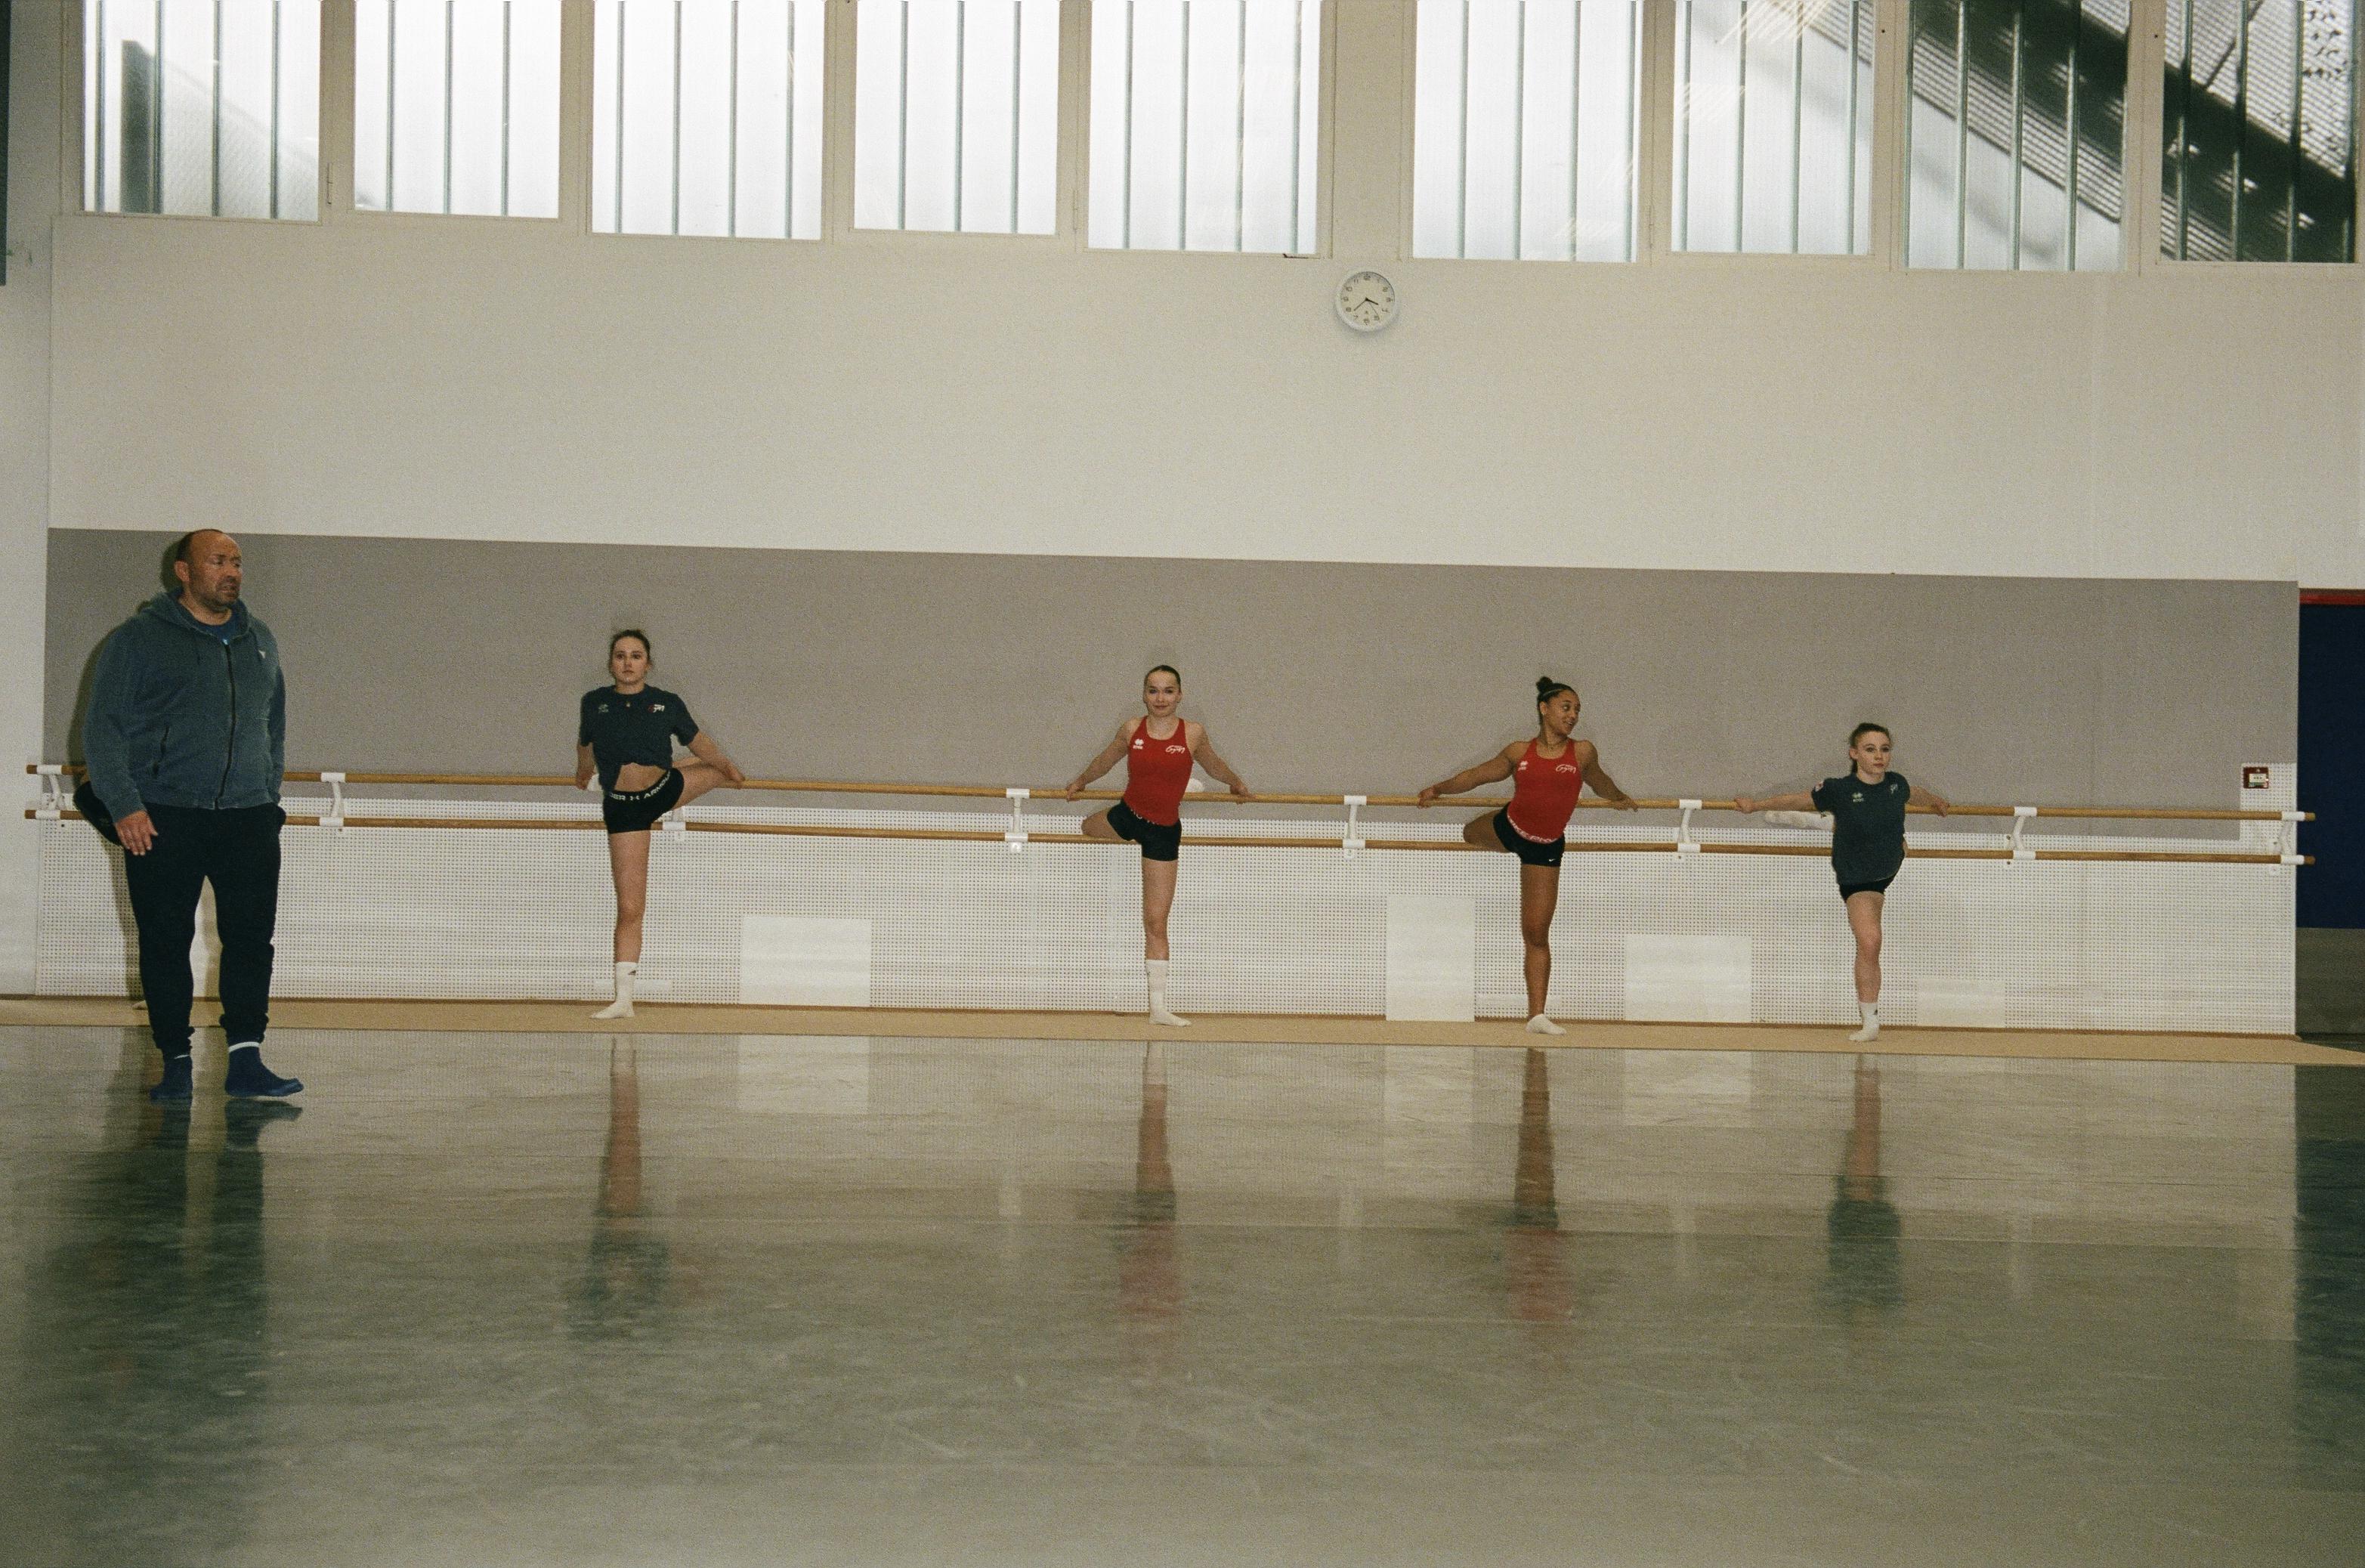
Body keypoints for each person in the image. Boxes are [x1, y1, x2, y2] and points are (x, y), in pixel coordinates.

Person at [79, 530, 302, 1103]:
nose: (232, 571)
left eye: (237, 562)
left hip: (248, 818)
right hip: (164, 816)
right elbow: (104, 727)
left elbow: (271, 722)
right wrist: (126, 803)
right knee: (164, 940)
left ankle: (247, 1059)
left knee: (252, 941)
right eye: (218, 560)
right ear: (183, 571)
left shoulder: (261, 640)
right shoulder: (137, 640)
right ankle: (174, 1059)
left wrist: (266, 792)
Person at [1417, 677, 1636, 1035]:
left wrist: (1620, 798)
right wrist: (1438, 789)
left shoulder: (1582, 753)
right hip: (1508, 828)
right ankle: (1492, 830)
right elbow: (1476, 776)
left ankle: (1537, 1015)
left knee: (1536, 932)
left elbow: (1600, 781)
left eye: (1577, 710)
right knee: (1468, 832)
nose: (1573, 715)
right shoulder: (1520, 752)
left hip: (1544, 846)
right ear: (1544, 709)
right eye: (1566, 707)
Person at [1734, 722, 1949, 1042]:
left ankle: (1834, 824)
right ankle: (1871, 1021)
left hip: (1888, 866)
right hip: (1859, 878)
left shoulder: (1896, 785)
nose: (1879, 756)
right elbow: (1799, 799)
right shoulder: (1840, 789)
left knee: (1870, 829)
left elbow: (1915, 793)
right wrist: (1757, 806)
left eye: (1885, 749)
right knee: (1871, 941)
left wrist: (1936, 801)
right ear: (1854, 754)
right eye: (1870, 749)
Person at [1064, 665, 1251, 1027]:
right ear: (1144, 694)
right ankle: (1175, 790)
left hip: (1164, 831)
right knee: (1087, 826)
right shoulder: (1132, 729)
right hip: (1129, 816)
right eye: (1153, 691)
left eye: (1168, 691)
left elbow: (1215, 765)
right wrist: (1081, 782)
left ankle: (1158, 1008)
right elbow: (1106, 759)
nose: (1160, 698)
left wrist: (1236, 783)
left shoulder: (1193, 733)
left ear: (1180, 695)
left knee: (1155, 921)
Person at [574, 631, 745, 1019]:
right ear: (611, 663)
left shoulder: (665, 703)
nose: (628, 663)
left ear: (648, 664)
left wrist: (731, 770)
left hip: (664, 790)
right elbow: (585, 745)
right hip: (625, 809)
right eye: (620, 656)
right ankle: (623, 1000)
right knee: (631, 907)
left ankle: (700, 777)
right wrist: (585, 774)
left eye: (636, 656)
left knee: (717, 771)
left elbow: (700, 742)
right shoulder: (595, 703)